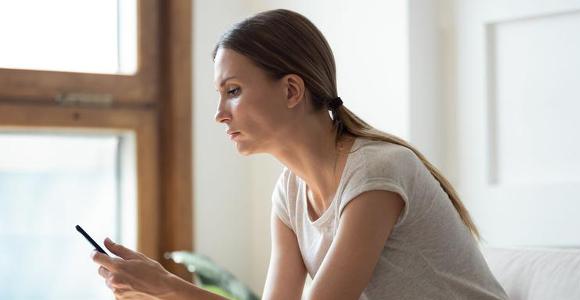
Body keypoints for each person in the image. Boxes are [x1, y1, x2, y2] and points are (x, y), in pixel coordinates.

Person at [91, 8, 509, 300]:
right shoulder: (290, 194)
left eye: (233, 91)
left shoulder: (377, 171)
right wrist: (158, 288)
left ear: (291, 90)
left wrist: (169, 287)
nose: (220, 114)